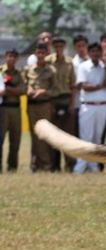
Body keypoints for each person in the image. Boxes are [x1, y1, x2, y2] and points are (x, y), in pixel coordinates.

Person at [74, 43, 106, 173]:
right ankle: (80, 167)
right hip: (88, 106)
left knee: (97, 138)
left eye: (98, 51)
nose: (96, 54)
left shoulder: (103, 67)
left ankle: (93, 166)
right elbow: (84, 86)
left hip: (102, 106)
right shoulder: (83, 66)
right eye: (93, 51)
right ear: (89, 53)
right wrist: (100, 86)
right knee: (86, 137)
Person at [24, 43, 57, 171]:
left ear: (46, 54)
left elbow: (56, 90)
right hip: (32, 106)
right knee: (33, 136)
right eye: (38, 52)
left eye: (43, 53)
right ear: (35, 53)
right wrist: (29, 89)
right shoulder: (28, 69)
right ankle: (35, 165)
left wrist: (43, 91)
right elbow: (24, 85)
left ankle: (47, 164)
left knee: (45, 135)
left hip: (45, 105)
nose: (40, 55)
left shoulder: (51, 70)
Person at [47, 37, 77, 172]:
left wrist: (72, 104)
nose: (59, 48)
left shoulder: (70, 62)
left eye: (61, 46)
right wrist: (50, 104)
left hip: (66, 100)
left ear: (64, 47)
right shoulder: (48, 62)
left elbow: (73, 85)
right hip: (53, 101)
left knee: (68, 135)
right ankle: (54, 165)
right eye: (56, 46)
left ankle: (70, 165)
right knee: (53, 135)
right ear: (53, 47)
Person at [0, 49, 25, 172]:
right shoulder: (0, 71)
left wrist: (7, 89)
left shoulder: (19, 73)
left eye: (14, 57)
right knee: (0, 139)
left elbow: (23, 90)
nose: (12, 59)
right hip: (3, 108)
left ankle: (12, 167)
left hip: (16, 108)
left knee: (15, 140)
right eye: (9, 56)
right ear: (6, 57)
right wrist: (13, 90)